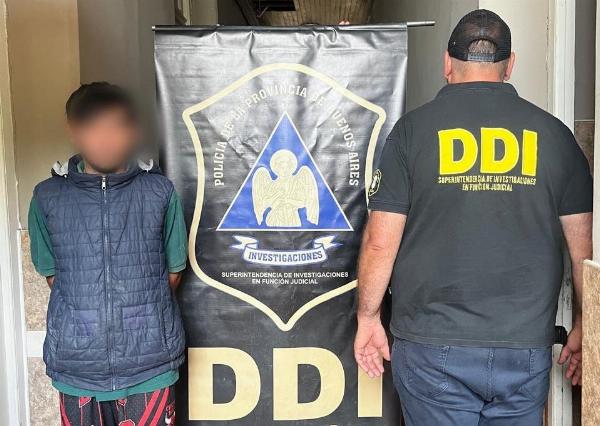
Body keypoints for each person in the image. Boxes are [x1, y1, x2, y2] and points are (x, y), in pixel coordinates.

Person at [354, 9, 592, 425]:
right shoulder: (555, 135)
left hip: (432, 346)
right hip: (524, 347)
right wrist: (586, 323)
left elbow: (379, 241)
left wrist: (368, 316)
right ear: (509, 65)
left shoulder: (412, 132)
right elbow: (582, 250)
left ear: (447, 63)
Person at [29, 82, 187, 425]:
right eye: (92, 126)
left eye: (115, 125)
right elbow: (53, 274)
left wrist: (139, 318)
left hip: (150, 366)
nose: (104, 138)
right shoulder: (47, 196)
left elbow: (173, 271)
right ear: (73, 130)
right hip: (78, 368)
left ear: (132, 130)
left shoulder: (159, 191)